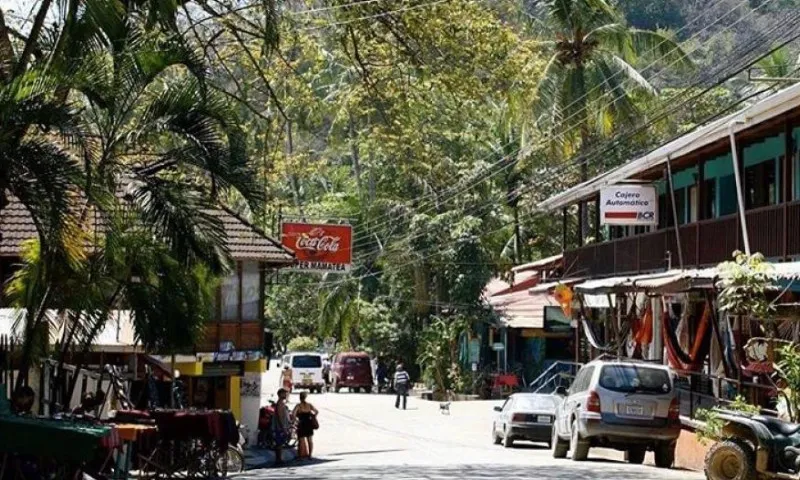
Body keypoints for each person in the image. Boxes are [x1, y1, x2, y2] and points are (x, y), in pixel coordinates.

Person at [292, 391, 319, 459]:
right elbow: (316, 411)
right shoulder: (309, 405)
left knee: (301, 440)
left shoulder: (298, 405)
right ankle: (310, 455)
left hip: (301, 423)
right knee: (310, 440)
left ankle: (300, 456)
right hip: (309, 423)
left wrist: (295, 421)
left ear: (300, 398)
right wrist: (313, 416)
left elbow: (293, 414)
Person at [272, 388, 292, 465]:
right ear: (280, 394)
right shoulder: (280, 403)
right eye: (284, 394)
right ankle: (278, 459)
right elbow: (280, 416)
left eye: (286, 394)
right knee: (279, 444)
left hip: (281, 426)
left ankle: (279, 459)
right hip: (280, 427)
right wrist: (282, 427)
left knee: (280, 443)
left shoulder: (282, 403)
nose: (286, 395)